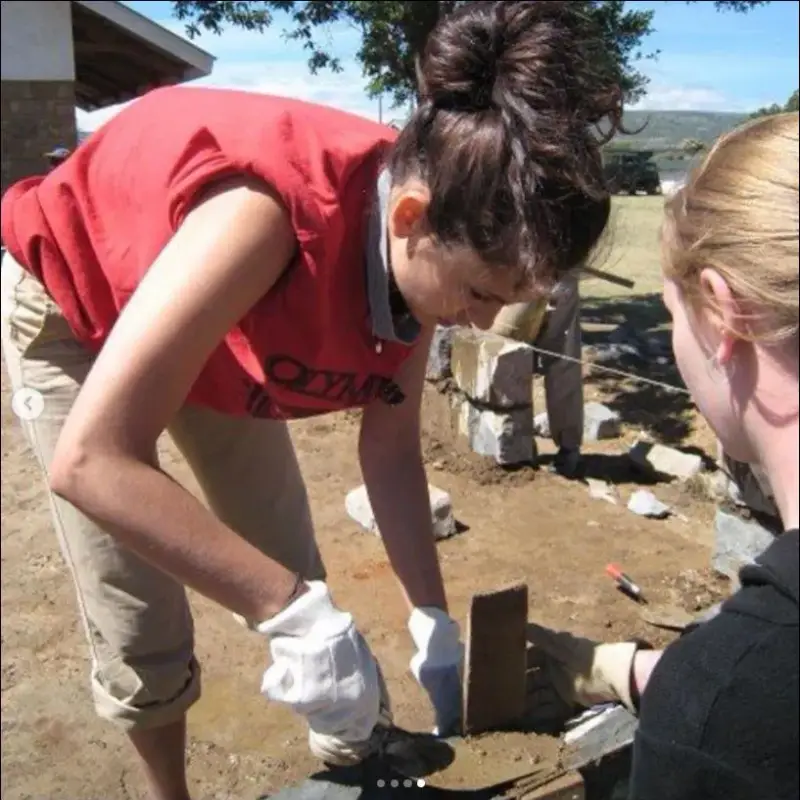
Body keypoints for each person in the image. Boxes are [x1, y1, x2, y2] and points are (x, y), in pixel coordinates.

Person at [0, 3, 624, 798]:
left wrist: (430, 618)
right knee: (141, 608)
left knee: (293, 568)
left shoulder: (426, 253)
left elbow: (390, 449)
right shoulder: (270, 215)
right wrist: (290, 615)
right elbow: (92, 462)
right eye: (478, 294)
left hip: (219, 317)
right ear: (408, 218)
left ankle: (355, 757)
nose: (479, 321)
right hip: (77, 303)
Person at [527, 111, 799, 800]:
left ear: (725, 313)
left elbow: (754, 701)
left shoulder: (713, 722)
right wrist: (639, 672)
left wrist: (691, 693)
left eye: (676, 316)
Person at [491, 272, 585, 478]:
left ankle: (522, 446)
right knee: (510, 346)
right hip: (530, 270)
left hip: (540, 272)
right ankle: (518, 445)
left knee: (556, 359)